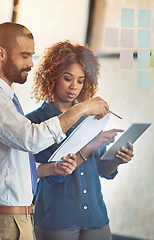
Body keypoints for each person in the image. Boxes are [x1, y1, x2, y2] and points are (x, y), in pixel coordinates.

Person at [0, 22, 109, 240]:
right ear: (1, 53)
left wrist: (52, 169)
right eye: (25, 56)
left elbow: (18, 164)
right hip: (9, 218)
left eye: (31, 56)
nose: (31, 64)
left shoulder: (6, 99)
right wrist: (82, 109)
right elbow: (30, 140)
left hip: (19, 217)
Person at [26, 41, 134, 240]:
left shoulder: (90, 119)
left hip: (96, 218)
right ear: (52, 76)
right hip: (56, 219)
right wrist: (90, 146)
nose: (74, 86)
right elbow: (50, 174)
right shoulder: (35, 122)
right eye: (68, 78)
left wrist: (117, 159)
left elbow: (103, 171)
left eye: (80, 81)